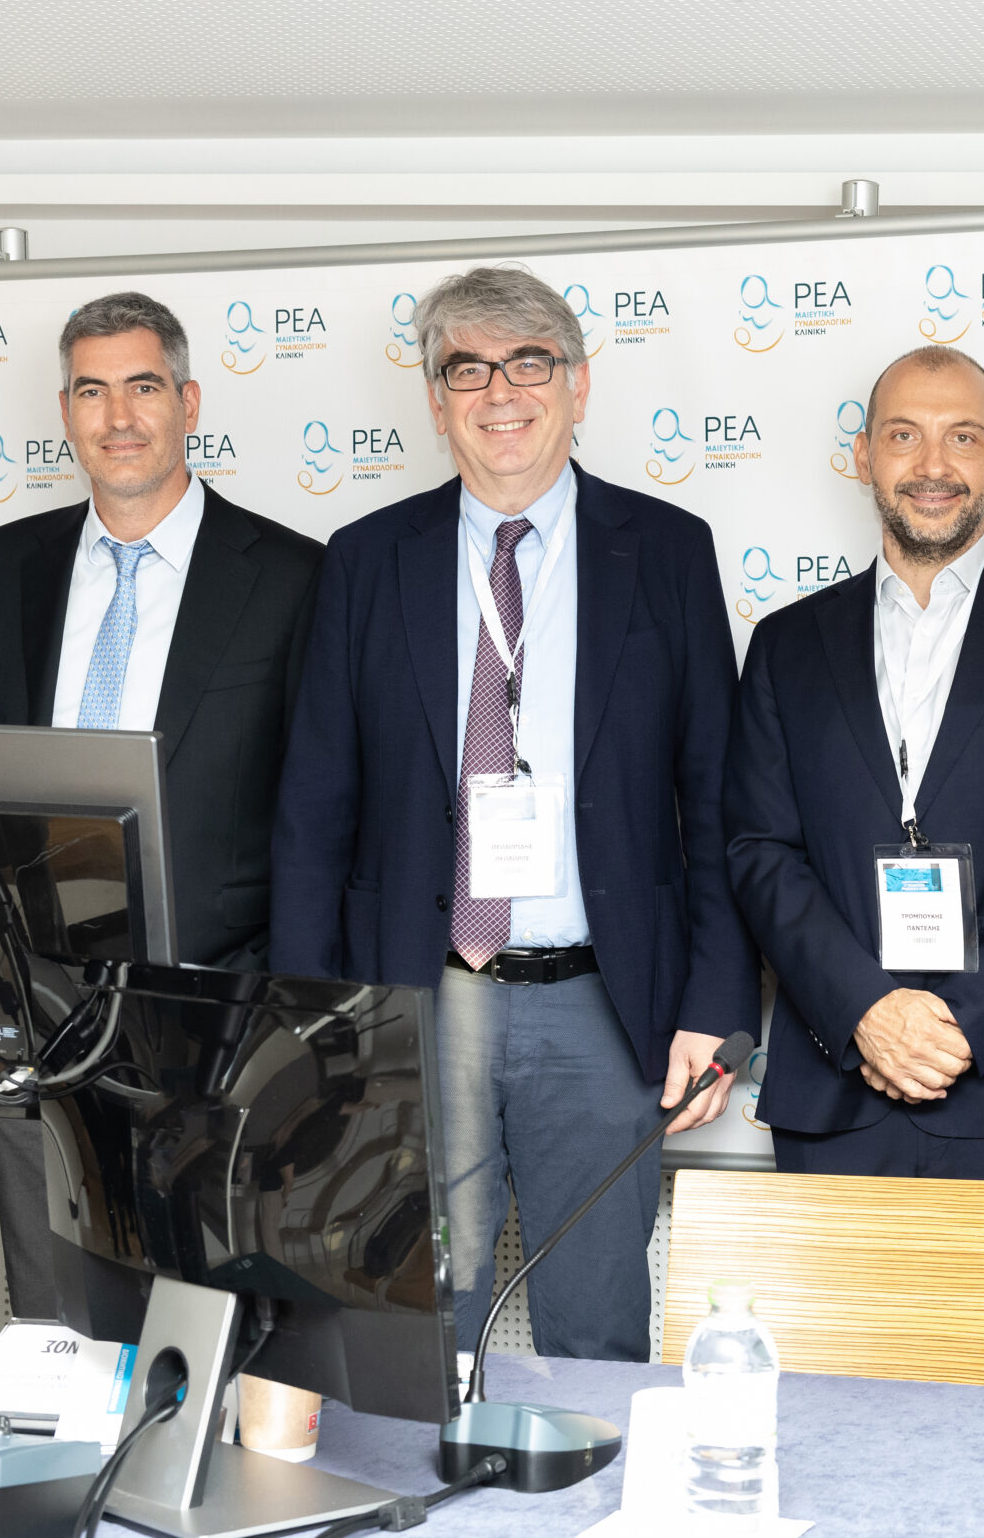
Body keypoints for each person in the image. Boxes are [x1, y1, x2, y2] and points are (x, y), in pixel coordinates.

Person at [271, 264, 754, 1362]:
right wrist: (311, 1021)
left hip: (603, 1007)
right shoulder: (365, 560)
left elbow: (716, 796)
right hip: (416, 1002)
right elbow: (313, 810)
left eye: (530, 363)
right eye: (468, 369)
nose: (501, 392)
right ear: (434, 400)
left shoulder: (666, 550)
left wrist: (716, 1007)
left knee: (595, 1327)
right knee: (407, 1322)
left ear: (578, 385)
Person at [725, 346, 984, 1391]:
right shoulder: (786, 642)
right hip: (836, 1095)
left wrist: (961, 1023)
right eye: (905, 435)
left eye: (963, 438)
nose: (933, 464)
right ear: (864, 455)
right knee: (833, 1412)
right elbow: (760, 850)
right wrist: (864, 1009)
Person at [0, 291, 324, 1319]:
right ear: (65, 411)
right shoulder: (11, 564)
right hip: (38, 1007)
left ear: (188, 402)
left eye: (142, 387)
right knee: (56, 1324)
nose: (118, 416)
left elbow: (314, 815)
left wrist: (286, 1015)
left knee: (207, 1327)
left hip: (217, 1013)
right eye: (91, 391)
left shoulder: (292, 575)